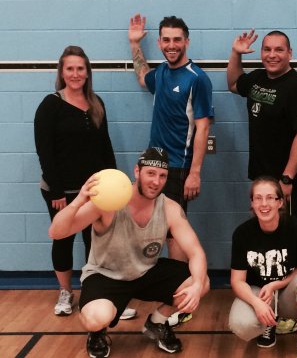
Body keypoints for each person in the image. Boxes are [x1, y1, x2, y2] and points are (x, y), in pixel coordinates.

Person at [49, 147, 210, 358]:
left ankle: (157, 322)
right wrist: (79, 200)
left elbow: (196, 252)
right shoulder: (109, 202)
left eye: (162, 176)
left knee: (201, 282)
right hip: (106, 274)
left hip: (146, 271)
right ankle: (97, 333)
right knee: (95, 318)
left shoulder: (170, 208)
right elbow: (56, 232)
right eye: (150, 173)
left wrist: (196, 285)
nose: (156, 181)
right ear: (137, 172)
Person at [128, 14, 214, 325]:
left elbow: (203, 127)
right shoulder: (162, 73)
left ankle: (174, 303)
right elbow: (143, 77)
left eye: (177, 39)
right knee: (149, 229)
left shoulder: (197, 79)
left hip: (178, 169)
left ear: (186, 41)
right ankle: (148, 294)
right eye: (166, 40)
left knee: (174, 235)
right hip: (152, 167)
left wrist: (195, 172)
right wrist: (135, 43)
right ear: (160, 42)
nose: (171, 45)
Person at [34, 45, 117, 317]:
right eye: (69, 68)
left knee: (95, 241)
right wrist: (57, 191)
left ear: (87, 72)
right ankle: (66, 292)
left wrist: (113, 184)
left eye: (80, 68)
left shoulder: (96, 103)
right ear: (61, 72)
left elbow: (105, 146)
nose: (75, 73)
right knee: (63, 240)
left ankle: (94, 292)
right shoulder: (50, 105)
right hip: (62, 191)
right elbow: (44, 152)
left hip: (95, 190)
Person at [229, 177, 297, 358]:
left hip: (287, 293)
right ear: (252, 203)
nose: (264, 204)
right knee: (242, 325)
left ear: (280, 202)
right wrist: (256, 303)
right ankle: (268, 325)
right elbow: (237, 281)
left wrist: (276, 284)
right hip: (259, 293)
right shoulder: (242, 234)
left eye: (270, 198)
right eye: (258, 198)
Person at [227, 30, 297, 217]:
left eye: (279, 50)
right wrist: (236, 53)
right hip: (260, 175)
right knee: (262, 224)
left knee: (284, 227)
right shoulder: (257, 78)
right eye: (267, 49)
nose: (272, 55)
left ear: (290, 53)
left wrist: (287, 178)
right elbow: (234, 84)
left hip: (283, 178)